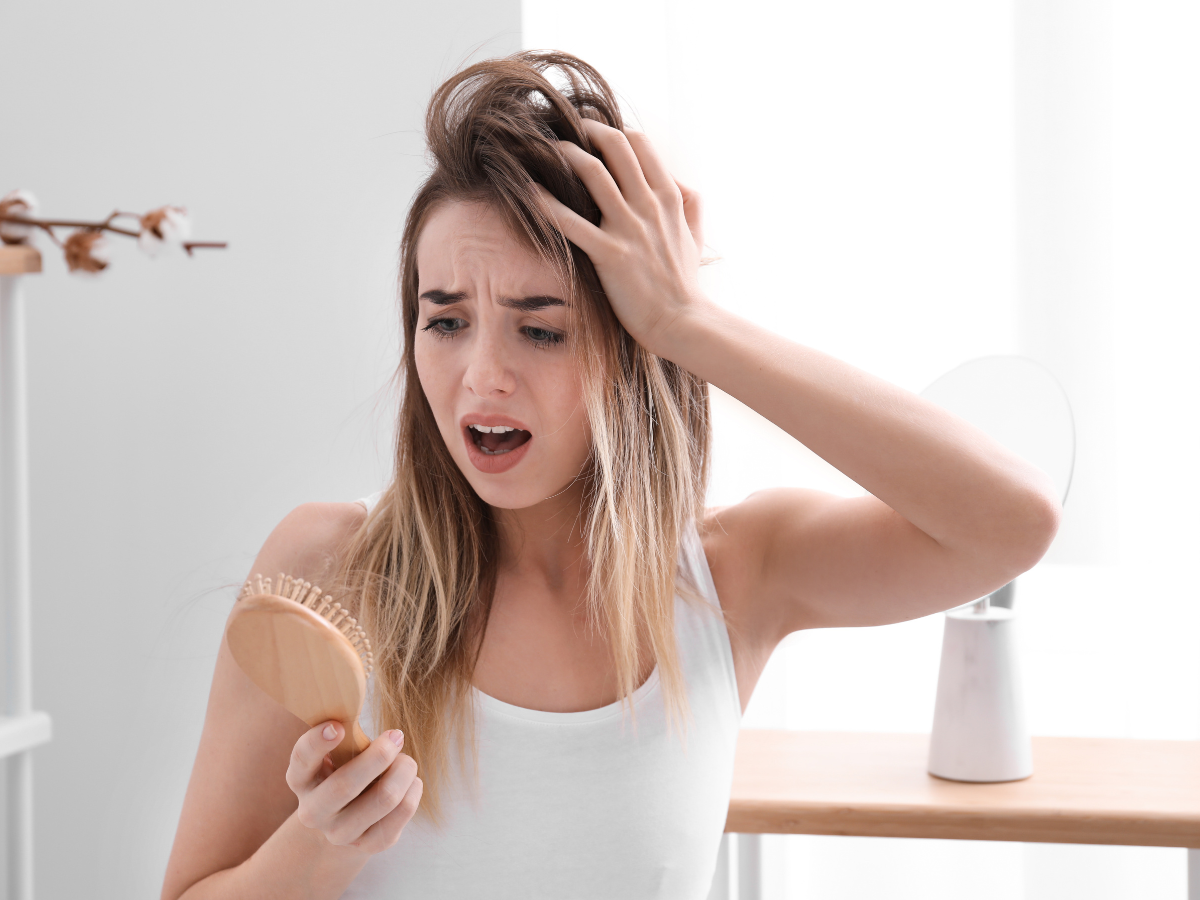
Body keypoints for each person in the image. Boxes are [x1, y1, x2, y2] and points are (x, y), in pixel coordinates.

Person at [160, 51, 1060, 900]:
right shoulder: (329, 569)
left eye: (541, 327)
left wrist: (690, 323)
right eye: (445, 321)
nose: (481, 375)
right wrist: (318, 843)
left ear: (633, 346)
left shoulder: (732, 578)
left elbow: (1012, 520)